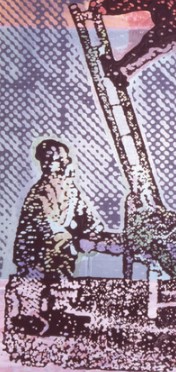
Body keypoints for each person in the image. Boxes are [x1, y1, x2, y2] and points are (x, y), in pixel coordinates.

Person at [11, 140, 122, 334]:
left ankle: (61, 311)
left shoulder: (70, 189)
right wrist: (69, 236)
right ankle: (29, 316)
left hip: (61, 252)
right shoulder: (39, 193)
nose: (63, 164)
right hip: (35, 253)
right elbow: (46, 226)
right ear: (45, 163)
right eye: (58, 160)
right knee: (32, 280)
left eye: (65, 159)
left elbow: (86, 215)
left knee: (63, 279)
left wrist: (93, 230)